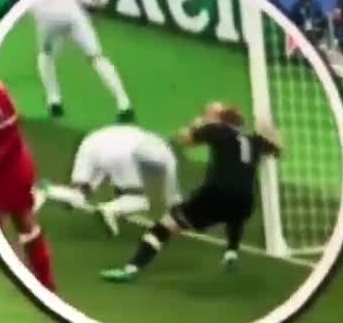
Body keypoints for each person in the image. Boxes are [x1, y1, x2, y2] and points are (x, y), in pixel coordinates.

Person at [100, 103, 282, 282]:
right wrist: (267, 130)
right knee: (235, 211)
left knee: (164, 227)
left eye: (209, 113)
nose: (206, 115)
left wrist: (196, 124)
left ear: (220, 119)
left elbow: (184, 140)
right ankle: (231, 252)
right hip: (246, 200)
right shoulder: (253, 141)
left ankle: (130, 269)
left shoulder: (216, 129)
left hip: (217, 194)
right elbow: (277, 149)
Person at [0, 66, 57, 290]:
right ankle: (43, 280)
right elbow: (14, 118)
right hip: (18, 163)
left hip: (10, 168)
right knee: (21, 222)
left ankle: (33, 276)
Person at [41, 124, 181, 237]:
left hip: (90, 143)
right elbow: (172, 197)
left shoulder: (146, 137)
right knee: (141, 198)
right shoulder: (166, 160)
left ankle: (47, 190)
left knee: (79, 194)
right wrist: (178, 217)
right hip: (121, 153)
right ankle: (110, 209)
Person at [31, 0, 134, 122]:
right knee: (96, 57)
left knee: (46, 54)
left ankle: (54, 101)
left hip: (46, 20)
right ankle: (124, 104)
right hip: (72, 16)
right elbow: (90, 0)